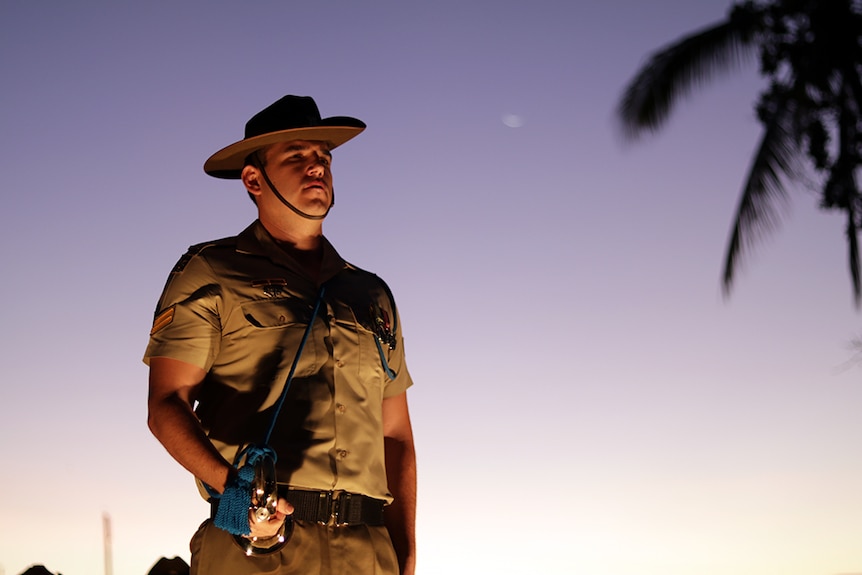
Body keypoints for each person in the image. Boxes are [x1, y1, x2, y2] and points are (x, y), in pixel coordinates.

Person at [145, 95, 417, 575]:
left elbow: (395, 434)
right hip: (258, 546)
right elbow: (166, 405)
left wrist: (405, 552)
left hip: (368, 552)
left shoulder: (371, 293)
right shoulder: (212, 271)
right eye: (297, 156)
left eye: (324, 158)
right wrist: (235, 490)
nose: (317, 168)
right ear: (254, 179)